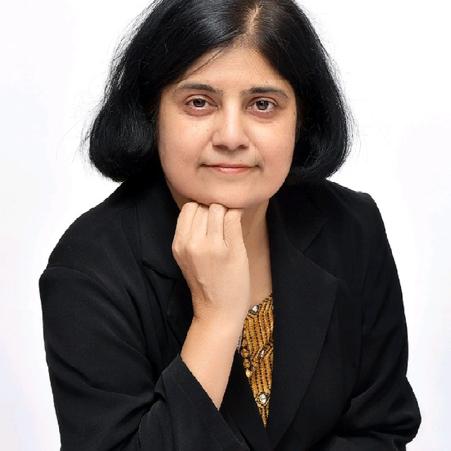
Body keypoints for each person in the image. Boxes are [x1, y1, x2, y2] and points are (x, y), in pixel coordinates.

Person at [38, 0, 422, 450]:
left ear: (301, 117)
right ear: (151, 112)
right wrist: (216, 320)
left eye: (263, 104)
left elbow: (381, 429)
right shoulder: (87, 270)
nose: (232, 137)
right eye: (199, 103)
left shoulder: (352, 226)